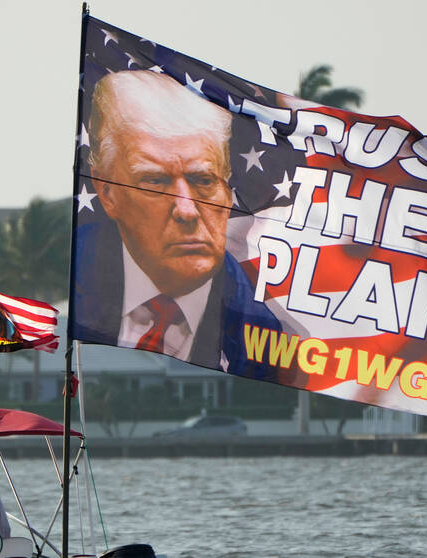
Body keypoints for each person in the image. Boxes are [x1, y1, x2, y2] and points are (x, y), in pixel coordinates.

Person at [72, 69, 280, 379]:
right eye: (155, 181)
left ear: (227, 192)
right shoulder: (76, 282)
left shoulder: (265, 332)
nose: (187, 210)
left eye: (204, 181)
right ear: (107, 192)